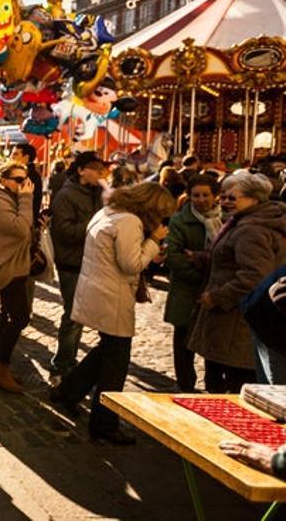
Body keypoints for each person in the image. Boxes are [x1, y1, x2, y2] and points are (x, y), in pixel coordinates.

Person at [50, 183, 175, 445]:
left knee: (107, 350)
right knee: (115, 364)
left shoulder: (108, 212)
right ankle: (104, 424)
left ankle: (67, 391)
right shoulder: (129, 221)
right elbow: (131, 264)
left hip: (98, 290)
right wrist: (153, 241)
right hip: (112, 295)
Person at [189, 172, 286, 392]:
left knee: (231, 387)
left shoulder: (251, 229)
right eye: (223, 197)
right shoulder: (244, 222)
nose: (224, 202)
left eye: (232, 198)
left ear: (254, 199)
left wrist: (216, 296)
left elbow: (253, 276)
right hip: (238, 322)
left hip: (236, 322)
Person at [48, 151, 106, 381]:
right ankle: (62, 363)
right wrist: (96, 224)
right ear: (81, 170)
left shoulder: (100, 193)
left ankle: (72, 361)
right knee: (72, 315)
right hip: (71, 263)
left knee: (82, 314)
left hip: (94, 261)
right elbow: (64, 231)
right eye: (95, 168)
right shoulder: (66, 195)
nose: (100, 173)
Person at [163, 174, 222, 392]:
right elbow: (175, 257)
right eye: (196, 195)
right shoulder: (180, 220)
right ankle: (186, 384)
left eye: (205, 195)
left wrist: (202, 261)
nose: (201, 199)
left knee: (212, 340)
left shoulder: (225, 219)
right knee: (183, 340)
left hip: (215, 289)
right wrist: (200, 276)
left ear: (215, 196)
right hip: (187, 289)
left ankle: (214, 385)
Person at [0, 161, 35, 393]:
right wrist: (26, 199)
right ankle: (1, 369)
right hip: (5, 267)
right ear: (4, 180)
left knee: (5, 314)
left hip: (14, 264)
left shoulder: (7, 198)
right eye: (19, 180)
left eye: (26, 179)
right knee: (20, 317)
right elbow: (21, 228)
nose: (25, 185)